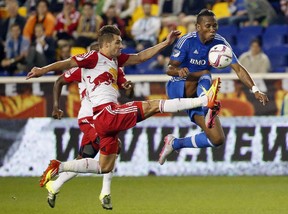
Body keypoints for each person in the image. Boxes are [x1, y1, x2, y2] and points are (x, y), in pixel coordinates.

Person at [26, 25, 220, 191]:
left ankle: (59, 167)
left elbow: (140, 57)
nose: (121, 45)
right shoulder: (94, 57)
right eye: (118, 42)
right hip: (106, 113)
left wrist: (165, 43)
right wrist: (42, 70)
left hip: (104, 120)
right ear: (106, 44)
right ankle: (203, 101)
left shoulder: (115, 61)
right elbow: (67, 63)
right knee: (153, 105)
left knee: (104, 166)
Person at [157, 9, 269, 165]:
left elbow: (238, 68)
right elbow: (169, 69)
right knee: (205, 74)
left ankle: (175, 143)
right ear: (197, 27)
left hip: (197, 95)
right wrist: (179, 70)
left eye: (215, 26)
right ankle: (207, 105)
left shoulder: (220, 43)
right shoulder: (186, 41)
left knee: (216, 138)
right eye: (208, 26)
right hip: (179, 86)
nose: (212, 30)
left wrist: (255, 89)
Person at [45, 41, 134, 210]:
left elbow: (128, 92)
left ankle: (55, 186)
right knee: (116, 147)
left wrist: (129, 89)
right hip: (89, 118)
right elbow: (59, 81)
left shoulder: (113, 68)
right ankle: (105, 192)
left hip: (105, 116)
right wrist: (56, 106)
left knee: (84, 159)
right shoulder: (82, 69)